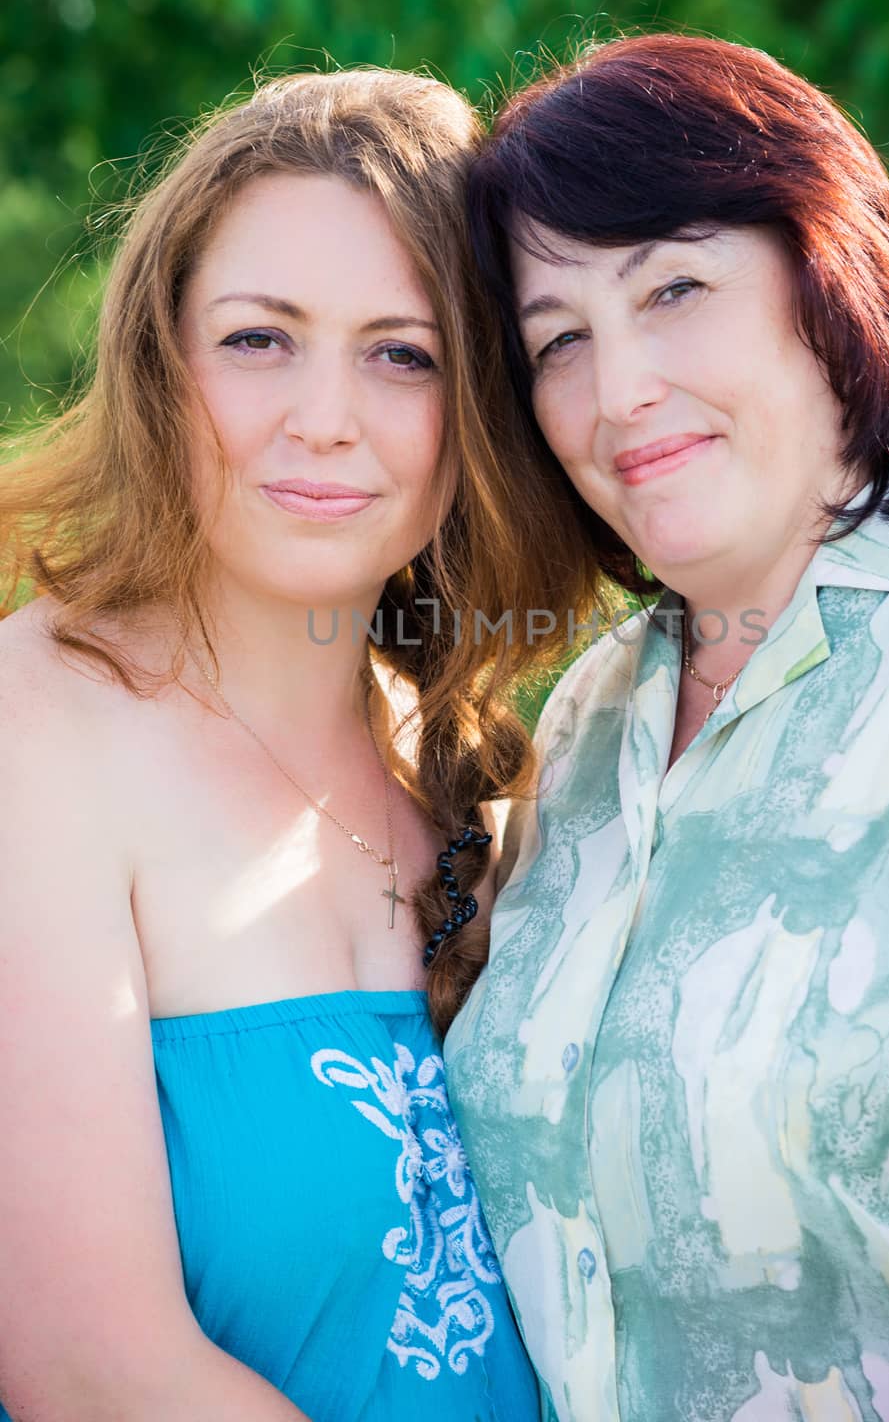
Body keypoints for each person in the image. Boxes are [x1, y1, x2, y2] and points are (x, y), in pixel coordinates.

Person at [446, 33, 889, 1422]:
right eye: (559, 342)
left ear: (827, 265)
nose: (617, 396)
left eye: (674, 287)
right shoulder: (593, 716)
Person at [0, 68, 551, 1420]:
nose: (324, 417)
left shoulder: (491, 773)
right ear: (159, 366)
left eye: (401, 353)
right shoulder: (37, 731)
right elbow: (86, 1366)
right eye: (259, 339)